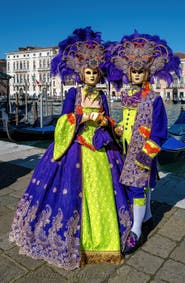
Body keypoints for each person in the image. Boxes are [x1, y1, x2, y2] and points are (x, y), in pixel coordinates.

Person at [9, 27, 132, 270]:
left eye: (96, 73)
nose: (93, 77)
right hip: (75, 147)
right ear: (81, 74)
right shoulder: (73, 94)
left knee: (105, 192)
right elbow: (63, 121)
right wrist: (82, 117)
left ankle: (104, 241)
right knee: (69, 193)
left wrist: (106, 123)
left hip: (100, 148)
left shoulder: (102, 97)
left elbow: (106, 118)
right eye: (89, 72)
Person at [108, 31, 181, 254]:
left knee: (137, 187)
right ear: (128, 73)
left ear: (147, 73)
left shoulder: (154, 99)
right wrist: (119, 128)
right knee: (135, 186)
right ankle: (147, 216)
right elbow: (128, 120)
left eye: (141, 71)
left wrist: (147, 153)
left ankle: (137, 230)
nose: (137, 74)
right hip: (125, 149)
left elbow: (159, 131)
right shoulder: (126, 96)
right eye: (133, 71)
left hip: (142, 151)